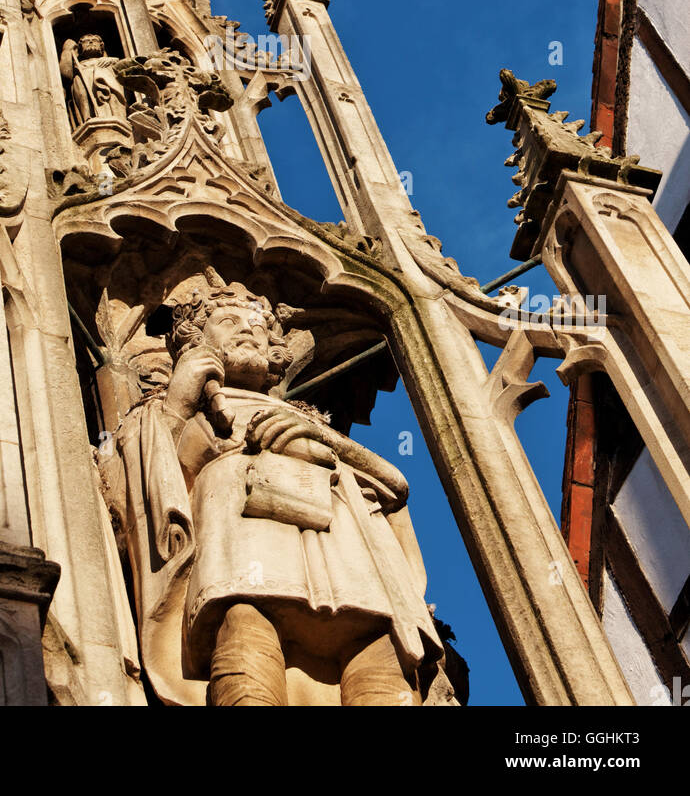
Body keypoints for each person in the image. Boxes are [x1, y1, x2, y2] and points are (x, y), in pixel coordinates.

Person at [105, 280, 456, 706]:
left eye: (257, 326)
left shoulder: (309, 417)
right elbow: (137, 490)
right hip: (241, 535)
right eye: (228, 322)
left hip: (342, 537)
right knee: (245, 627)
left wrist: (326, 443)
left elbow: (392, 485)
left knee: (376, 645)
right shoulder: (163, 410)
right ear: (195, 341)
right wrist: (179, 402)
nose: (247, 330)